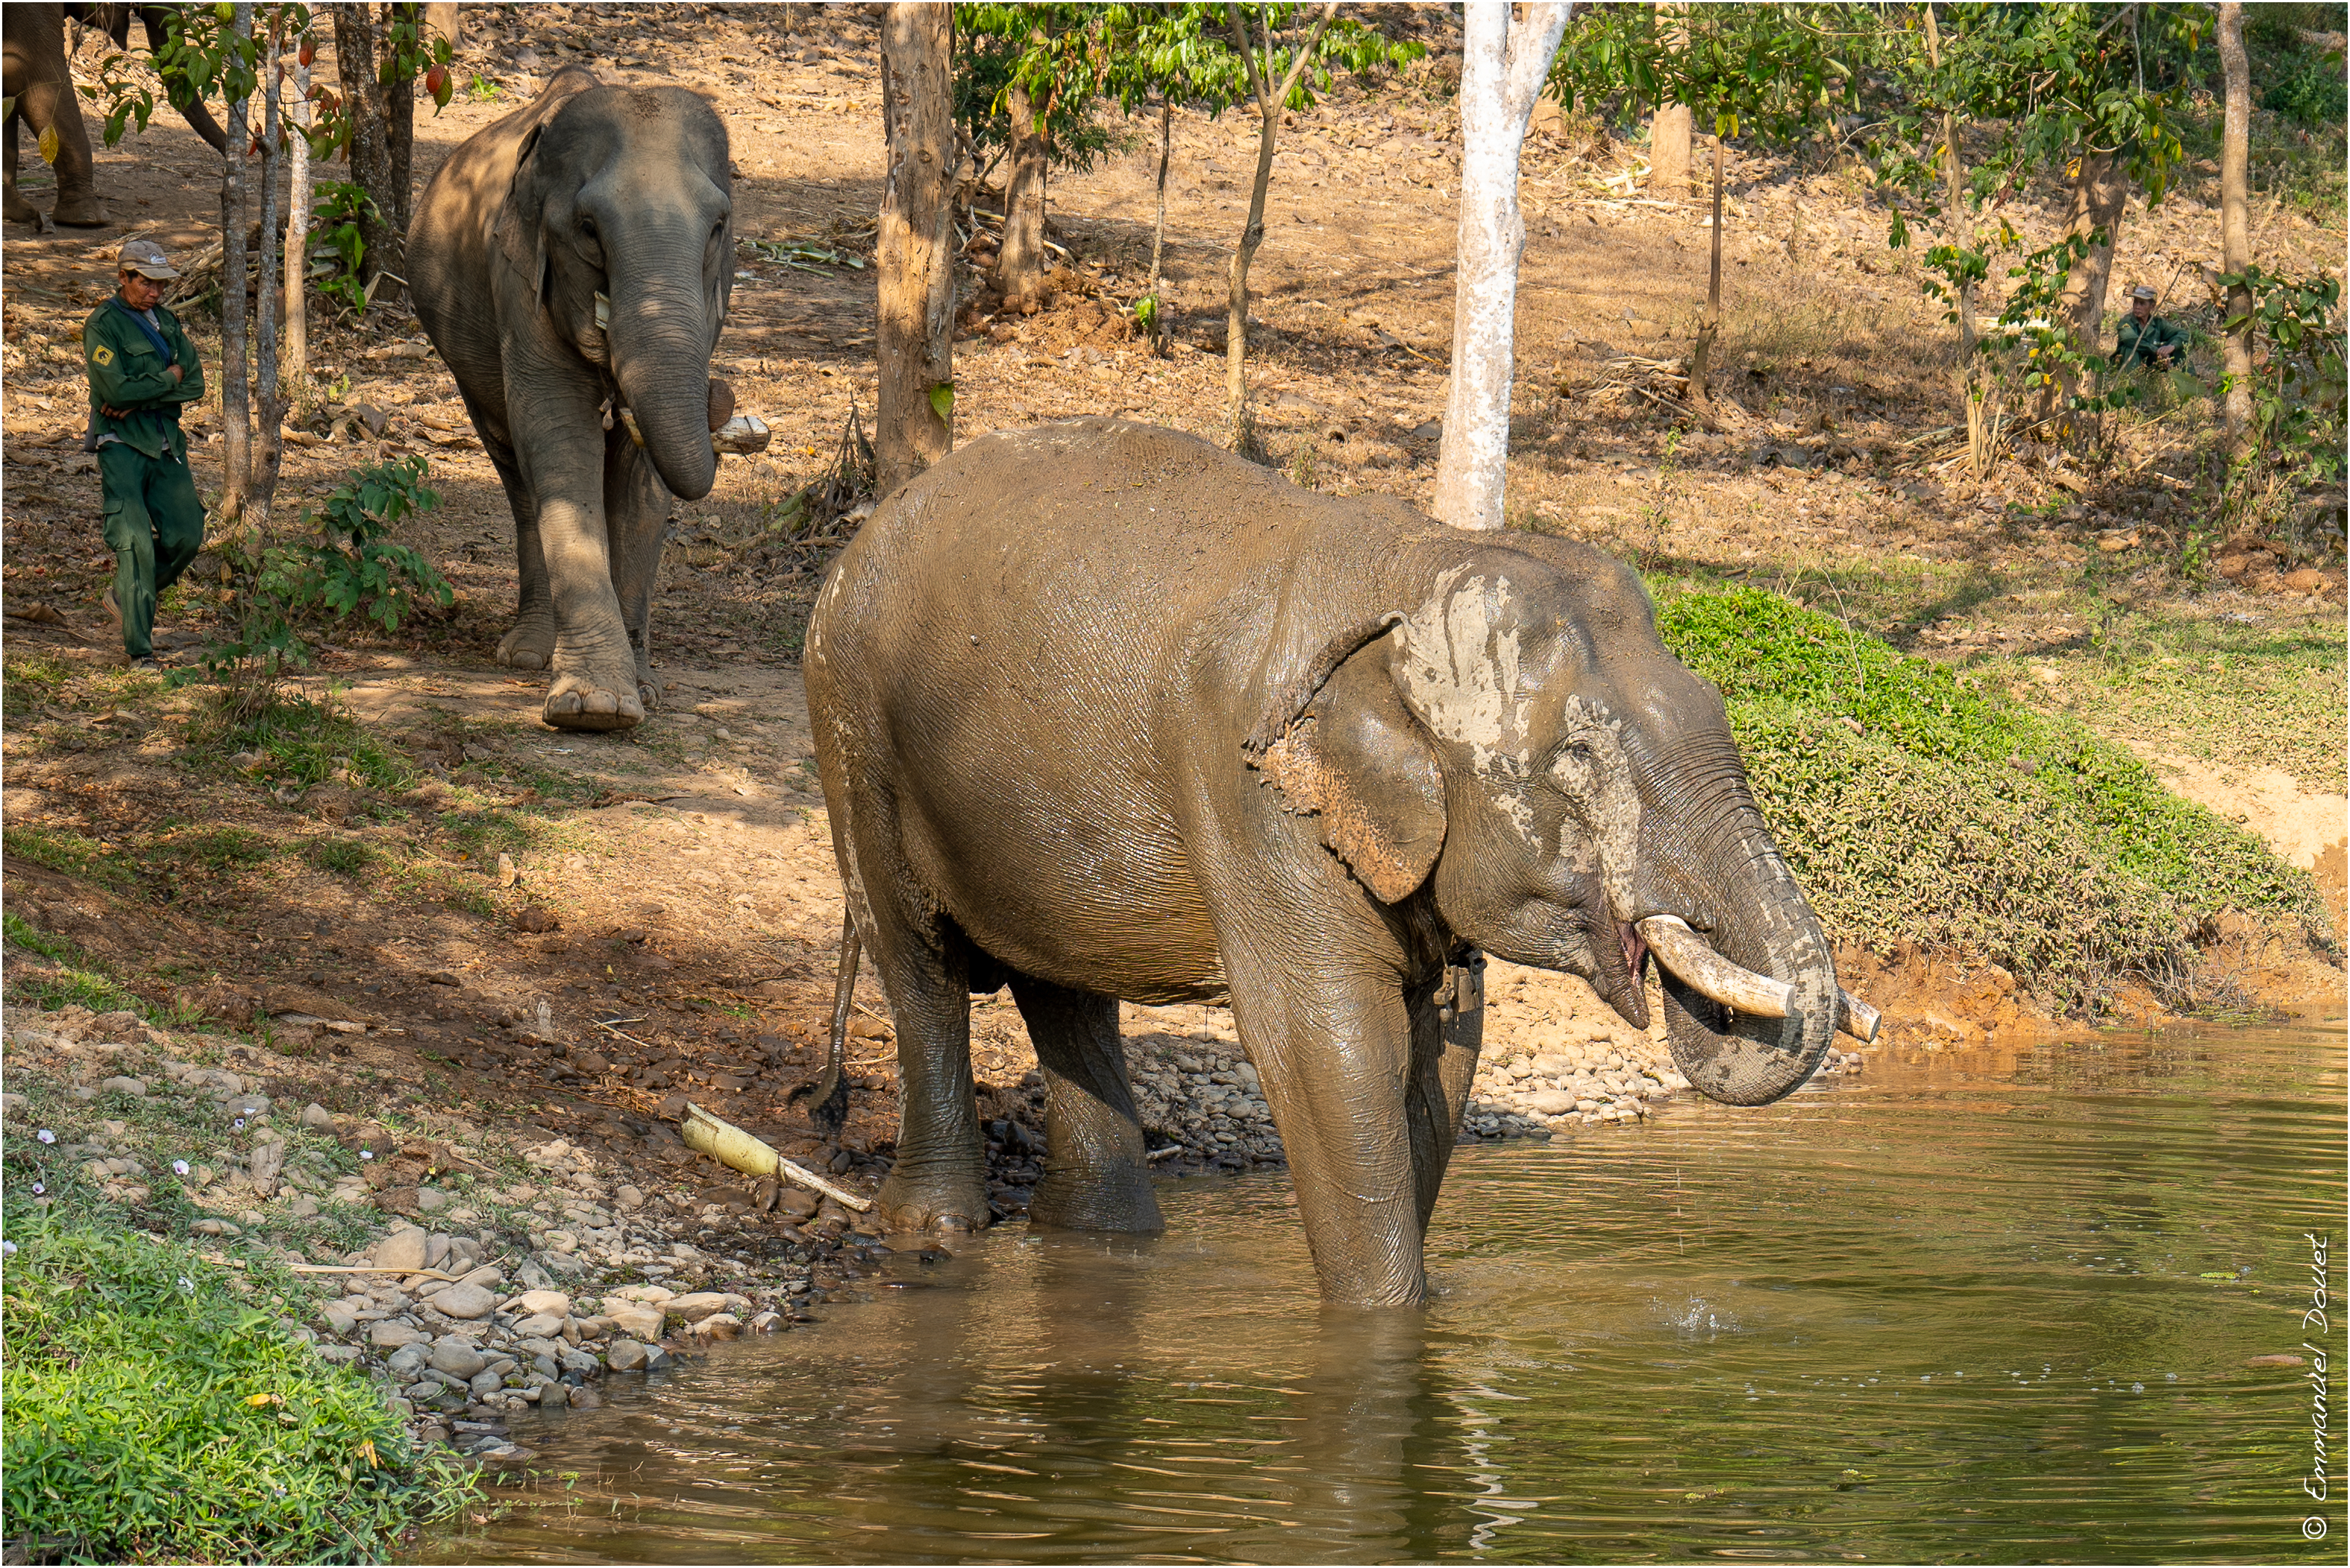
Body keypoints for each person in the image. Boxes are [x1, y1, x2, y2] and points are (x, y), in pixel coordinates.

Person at [84, 236, 207, 669]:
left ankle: (127, 595)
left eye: (160, 284)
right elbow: (112, 388)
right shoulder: (103, 324)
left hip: (165, 442)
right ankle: (140, 650)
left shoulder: (168, 323)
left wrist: (140, 398)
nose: (155, 292)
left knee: (187, 537)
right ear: (124, 278)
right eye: (146, 283)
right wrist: (165, 380)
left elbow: (195, 383)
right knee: (133, 541)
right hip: (122, 446)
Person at [2112, 283, 2187, 371]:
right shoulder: (2126, 321)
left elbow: (2184, 334)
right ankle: (2132, 382)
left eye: (2142, 304)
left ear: (2152, 306)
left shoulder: (2157, 322)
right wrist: (2157, 351)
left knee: (2179, 346)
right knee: (2131, 348)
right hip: (2127, 366)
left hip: (2150, 365)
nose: (2137, 307)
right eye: (2135, 302)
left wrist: (2172, 346)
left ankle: (2189, 381)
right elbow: (2131, 339)